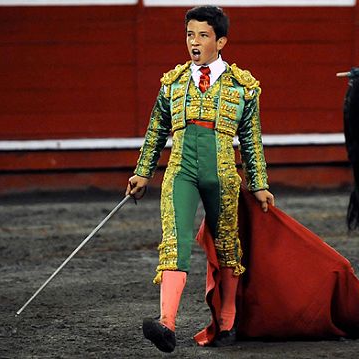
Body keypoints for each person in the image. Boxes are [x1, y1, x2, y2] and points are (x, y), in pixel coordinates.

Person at [125, 5, 274, 352]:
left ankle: (228, 320)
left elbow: (251, 139)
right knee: (174, 241)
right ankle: (167, 323)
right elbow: (156, 131)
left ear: (220, 41)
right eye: (190, 35)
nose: (195, 42)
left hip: (222, 172)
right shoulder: (172, 84)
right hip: (181, 171)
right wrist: (143, 172)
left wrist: (260, 182)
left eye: (203, 36)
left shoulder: (243, 86)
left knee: (226, 245)